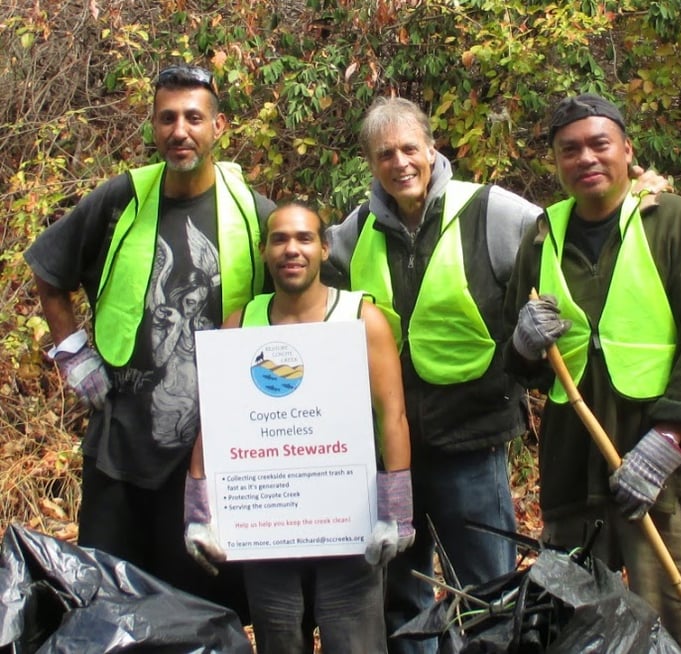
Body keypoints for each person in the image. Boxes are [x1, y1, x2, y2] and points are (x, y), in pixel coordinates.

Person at [23, 64, 275, 622]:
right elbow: (49, 269)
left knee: (204, 615)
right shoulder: (121, 200)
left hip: (213, 461)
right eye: (167, 118)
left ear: (219, 127)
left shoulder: (253, 213)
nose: (179, 130)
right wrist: (72, 351)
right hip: (122, 448)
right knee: (111, 608)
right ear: (153, 127)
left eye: (193, 117)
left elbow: (304, 298)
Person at [502, 93, 681, 653]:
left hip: (670, 481)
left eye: (599, 144)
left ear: (626, 149)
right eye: (570, 149)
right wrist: (524, 344)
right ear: (557, 163)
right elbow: (524, 368)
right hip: (574, 479)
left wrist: (665, 443)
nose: (585, 157)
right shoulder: (542, 236)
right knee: (575, 635)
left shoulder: (674, 223)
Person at [322, 96, 541, 653]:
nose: (400, 163)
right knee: (403, 593)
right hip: (389, 450)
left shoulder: (491, 211)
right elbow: (305, 280)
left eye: (409, 149)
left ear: (431, 147)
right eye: (384, 154)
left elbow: (558, 247)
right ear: (370, 163)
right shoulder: (352, 232)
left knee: (486, 590)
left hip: (471, 437)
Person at [183, 202, 414, 653]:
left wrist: (397, 510)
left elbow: (393, 415)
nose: (292, 249)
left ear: (325, 248)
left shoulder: (361, 319)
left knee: (356, 643)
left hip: (349, 521)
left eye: (305, 238)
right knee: (279, 641)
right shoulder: (241, 324)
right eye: (280, 239)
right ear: (264, 251)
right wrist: (197, 510)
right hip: (268, 524)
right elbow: (215, 422)